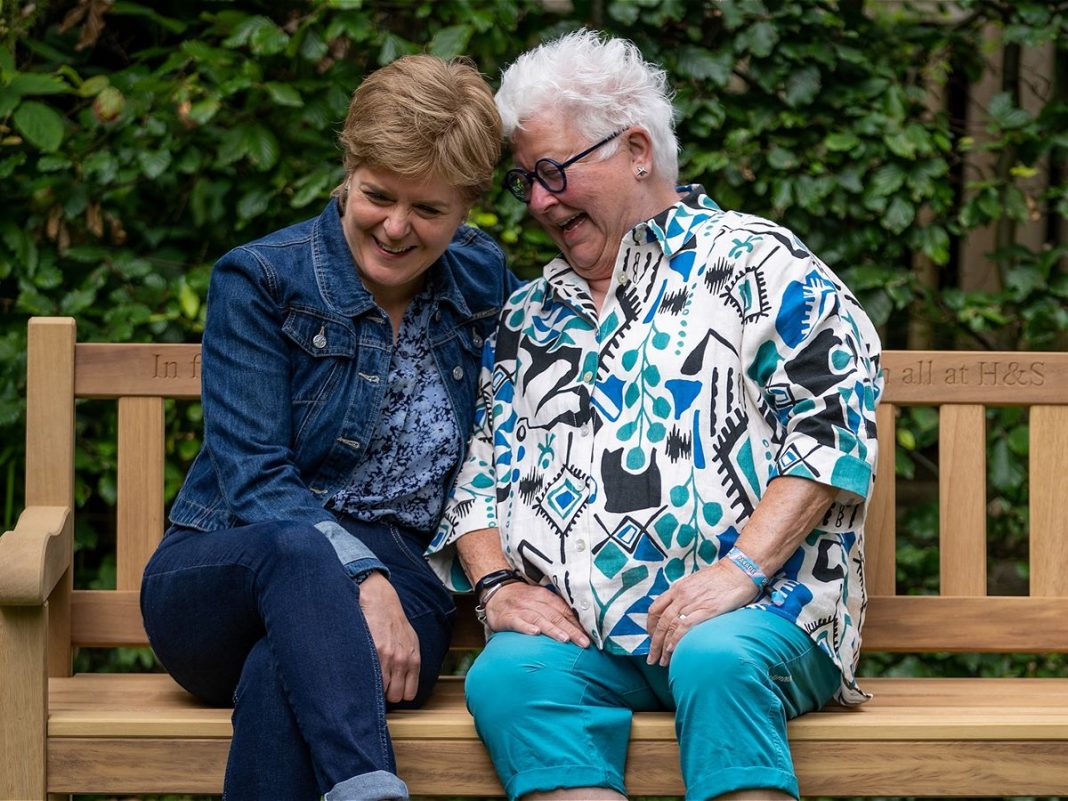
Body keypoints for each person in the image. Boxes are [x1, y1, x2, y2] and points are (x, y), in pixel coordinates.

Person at [427, 30, 883, 801]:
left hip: (760, 618)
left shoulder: (755, 263)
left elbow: (833, 417)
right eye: (524, 183)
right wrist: (497, 583)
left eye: (552, 172)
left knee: (716, 658)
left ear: (636, 147)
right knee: (508, 674)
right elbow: (478, 471)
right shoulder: (529, 314)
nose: (538, 202)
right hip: (588, 641)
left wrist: (741, 569)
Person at [139, 54, 518, 801]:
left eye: (430, 210)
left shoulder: (481, 279)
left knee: (286, 668)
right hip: (230, 569)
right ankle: (365, 786)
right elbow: (253, 476)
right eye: (378, 194)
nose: (397, 226)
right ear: (349, 168)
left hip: (403, 586)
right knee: (298, 549)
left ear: (469, 205)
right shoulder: (262, 279)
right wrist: (362, 579)